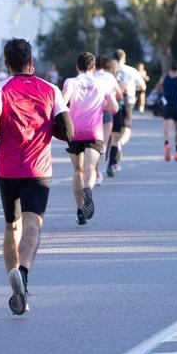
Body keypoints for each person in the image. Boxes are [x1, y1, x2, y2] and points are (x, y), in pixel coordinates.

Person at [0, 39, 72, 316]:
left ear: (7, 64)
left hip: (8, 168)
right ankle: (23, 274)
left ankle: (14, 282)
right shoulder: (51, 89)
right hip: (38, 168)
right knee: (33, 224)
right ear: (31, 63)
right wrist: (50, 129)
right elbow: (68, 131)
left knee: (12, 226)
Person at [62, 53, 119, 225]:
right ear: (93, 67)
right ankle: (88, 190)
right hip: (94, 131)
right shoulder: (102, 84)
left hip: (74, 130)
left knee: (77, 170)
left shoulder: (71, 82)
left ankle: (80, 210)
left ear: (77, 67)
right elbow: (114, 107)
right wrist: (105, 105)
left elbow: (62, 102)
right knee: (90, 167)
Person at [107, 49, 145, 177]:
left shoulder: (109, 70)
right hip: (128, 101)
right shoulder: (131, 70)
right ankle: (119, 145)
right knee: (126, 129)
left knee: (114, 133)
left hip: (113, 103)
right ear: (124, 58)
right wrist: (135, 88)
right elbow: (143, 86)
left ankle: (112, 162)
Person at [92, 55, 121, 185]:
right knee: (103, 143)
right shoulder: (110, 77)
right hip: (107, 112)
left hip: (91, 113)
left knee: (93, 144)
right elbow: (119, 95)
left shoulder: (91, 75)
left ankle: (97, 173)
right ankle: (103, 148)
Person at [155, 61, 177, 162]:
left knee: (166, 129)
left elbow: (157, 89)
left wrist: (163, 89)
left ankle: (167, 144)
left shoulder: (164, 78)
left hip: (167, 106)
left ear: (170, 68)